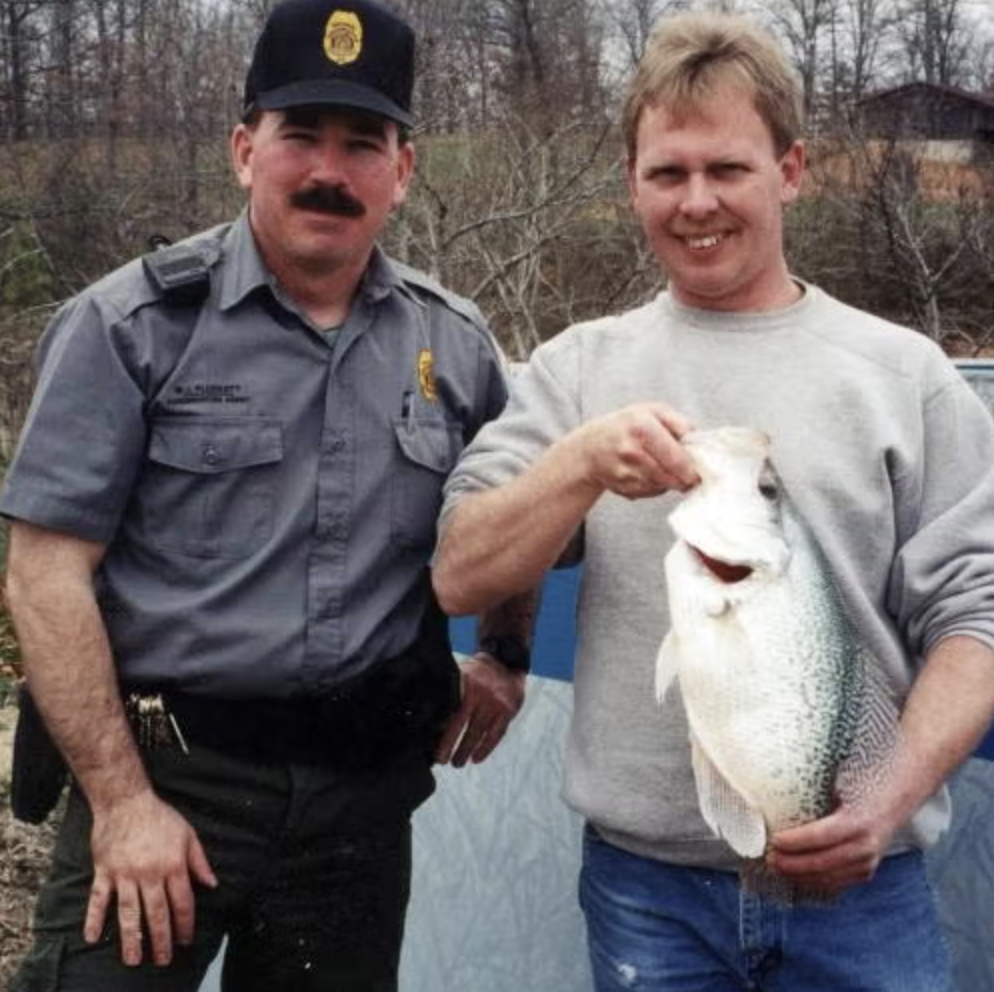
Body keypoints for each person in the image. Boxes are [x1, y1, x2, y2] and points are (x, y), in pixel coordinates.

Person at [433, 11, 994, 992]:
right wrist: (578, 465)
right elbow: (458, 571)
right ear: (631, 184)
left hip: (862, 890)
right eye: (667, 173)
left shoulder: (905, 376)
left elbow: (979, 612)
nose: (697, 202)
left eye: (728, 169)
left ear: (790, 168)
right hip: (643, 889)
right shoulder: (576, 370)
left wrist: (883, 797)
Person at [1, 1, 532, 989]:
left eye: (362, 142)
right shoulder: (132, 325)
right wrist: (120, 801)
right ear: (247, 150)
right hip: (167, 779)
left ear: (402, 171)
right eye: (301, 137)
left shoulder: (452, 347)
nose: (328, 171)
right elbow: (43, 575)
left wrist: (505, 650)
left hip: (356, 807)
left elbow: (518, 506)